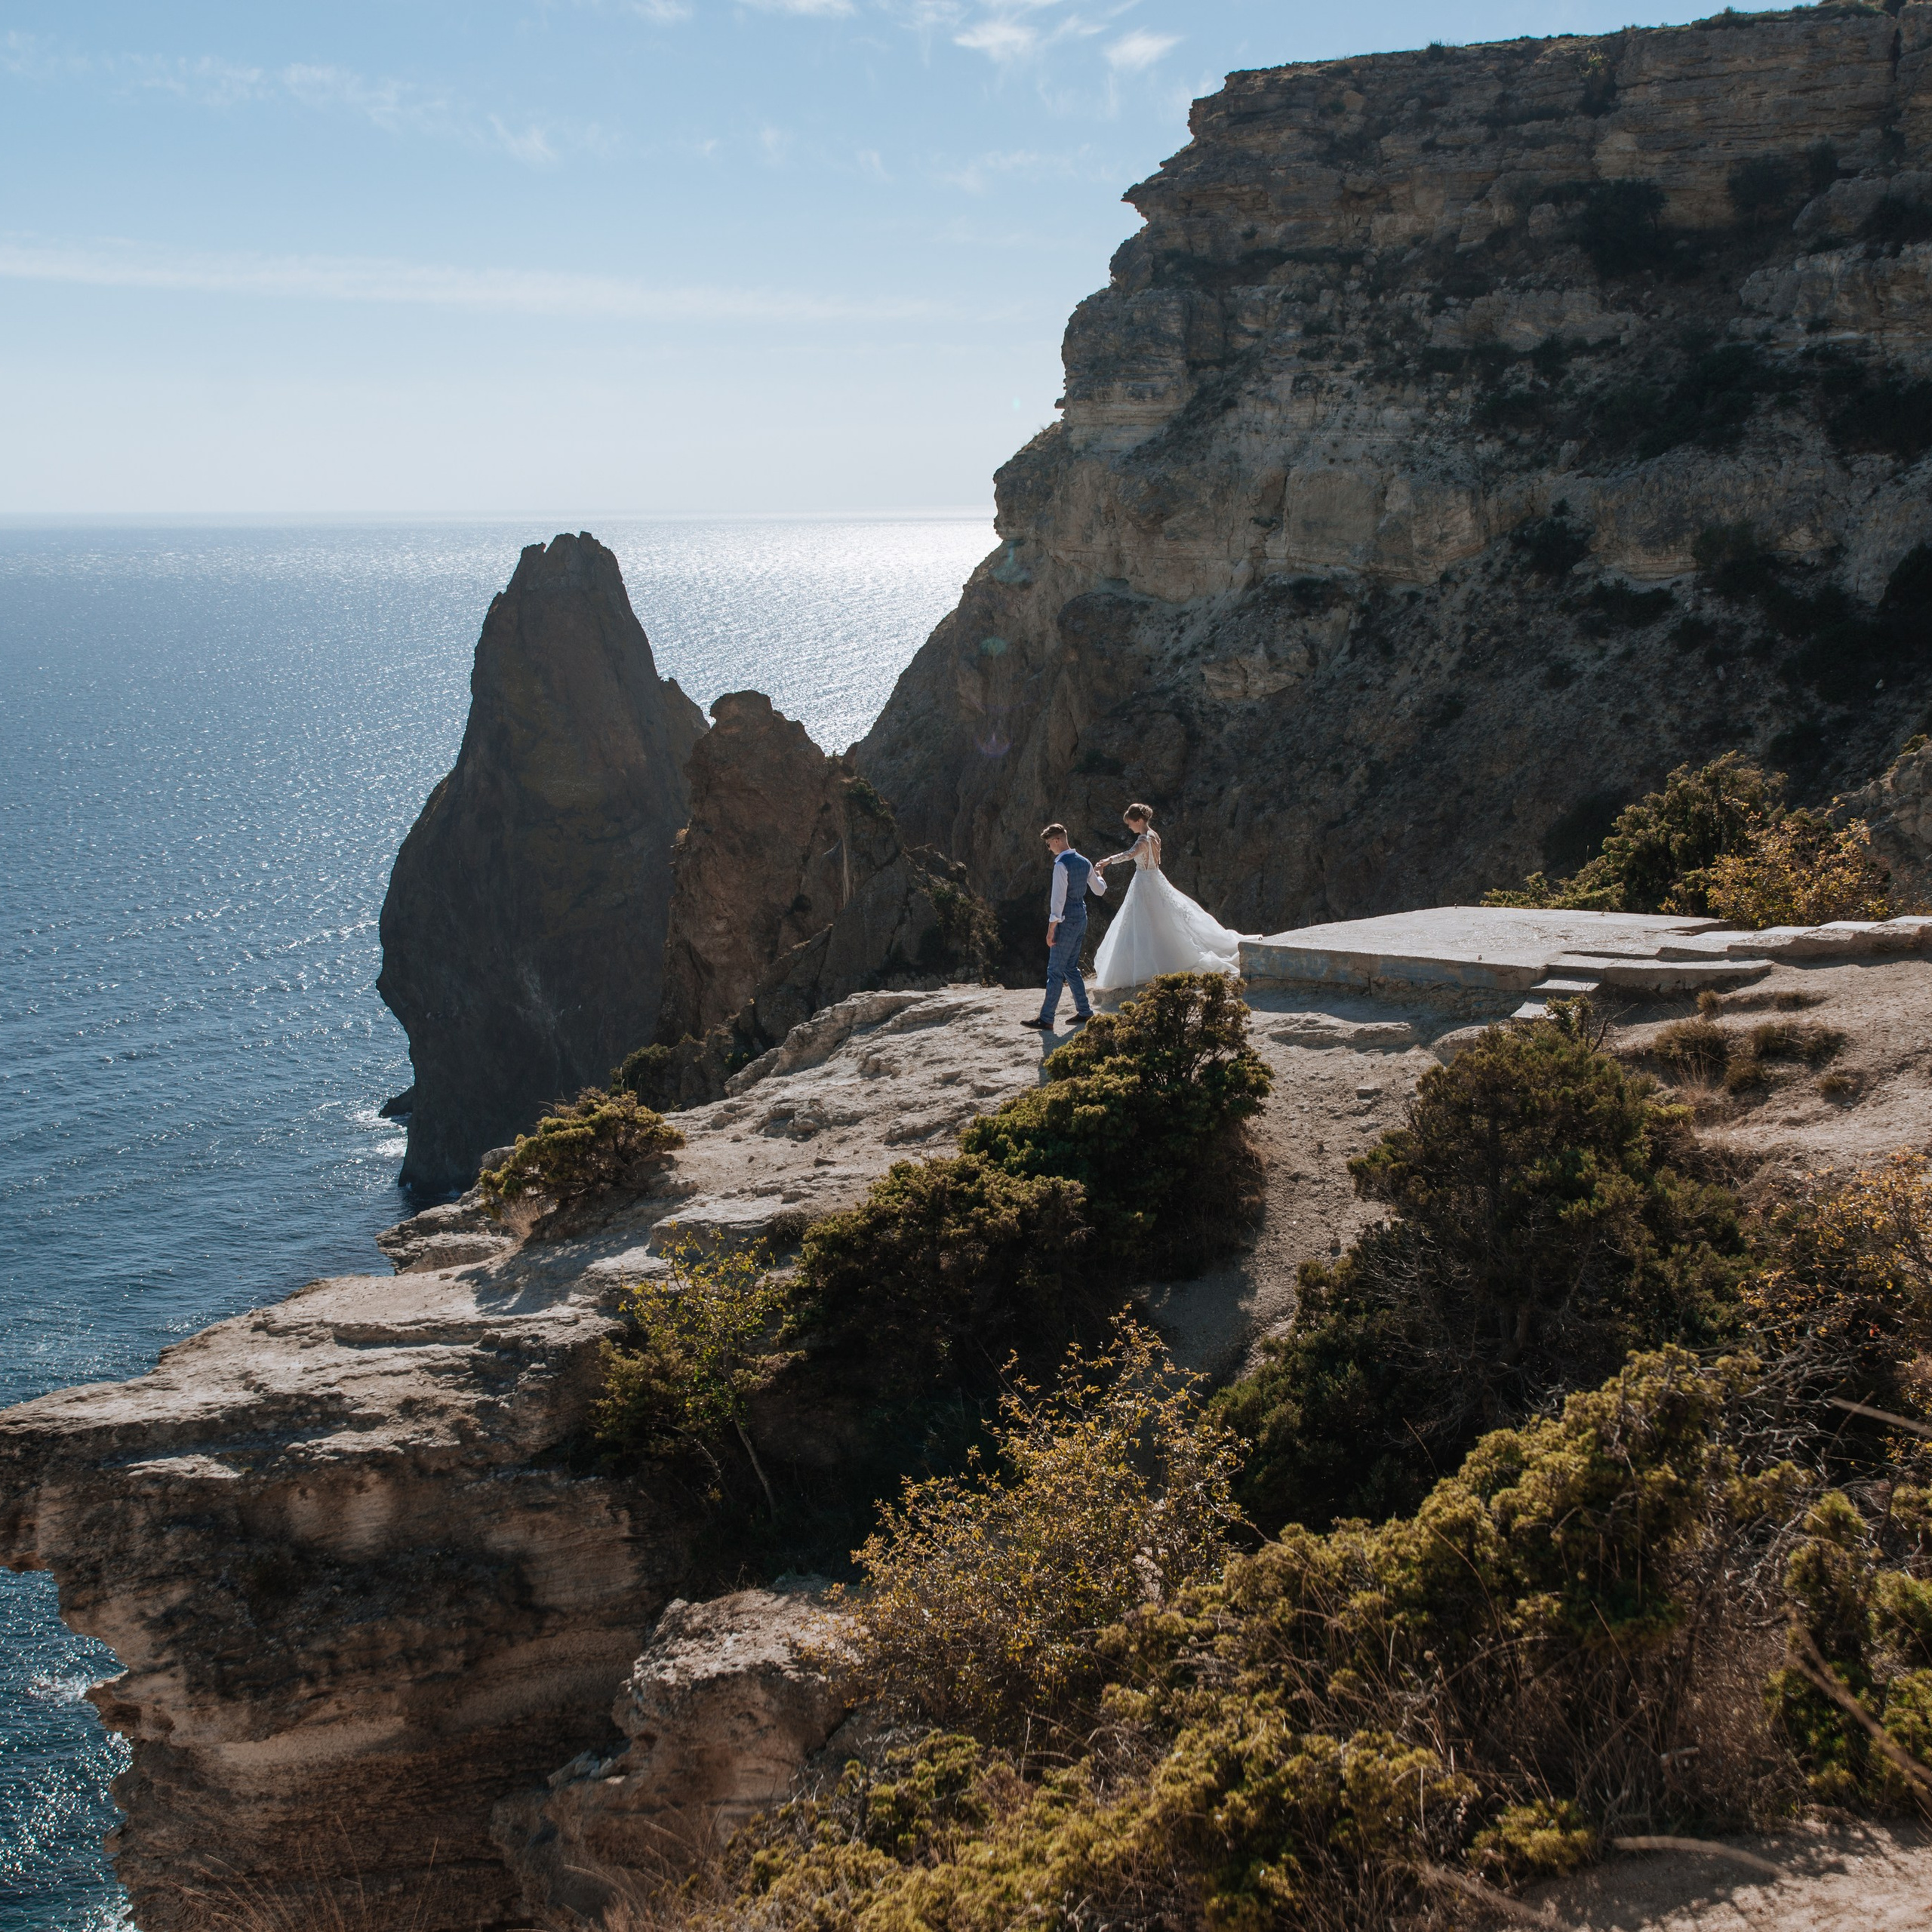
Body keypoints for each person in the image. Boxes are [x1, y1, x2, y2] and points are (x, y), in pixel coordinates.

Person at [1092, 803, 1250, 990]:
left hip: (1145, 882)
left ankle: (1159, 960)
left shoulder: (1143, 840)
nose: (1129, 826)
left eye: (1130, 823)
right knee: (1161, 919)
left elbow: (1129, 854)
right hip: (1155, 877)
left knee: (1147, 921)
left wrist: (1108, 861)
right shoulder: (1155, 836)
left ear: (1139, 820)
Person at [1022, 822, 1106, 1032]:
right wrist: (1100, 873)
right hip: (1081, 917)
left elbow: (1057, 901)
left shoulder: (1061, 866)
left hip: (1066, 920)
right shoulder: (1085, 862)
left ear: (1058, 840)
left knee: (1055, 970)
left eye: (1049, 844)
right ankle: (1085, 1012)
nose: (1049, 848)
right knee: (1070, 967)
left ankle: (1047, 1018)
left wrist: (1051, 929)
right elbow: (1099, 891)